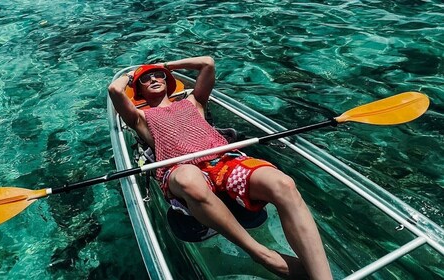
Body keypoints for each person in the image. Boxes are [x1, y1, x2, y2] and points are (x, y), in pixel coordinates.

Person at [108, 56, 332, 279]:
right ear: (138, 90)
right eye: (145, 79)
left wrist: (165, 66)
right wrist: (131, 74)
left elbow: (207, 63)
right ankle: (260, 254)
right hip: (179, 167)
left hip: (223, 162)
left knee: (283, 184)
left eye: (158, 76)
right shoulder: (140, 117)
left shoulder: (194, 102)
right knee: (189, 180)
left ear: (169, 81)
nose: (154, 78)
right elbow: (115, 90)